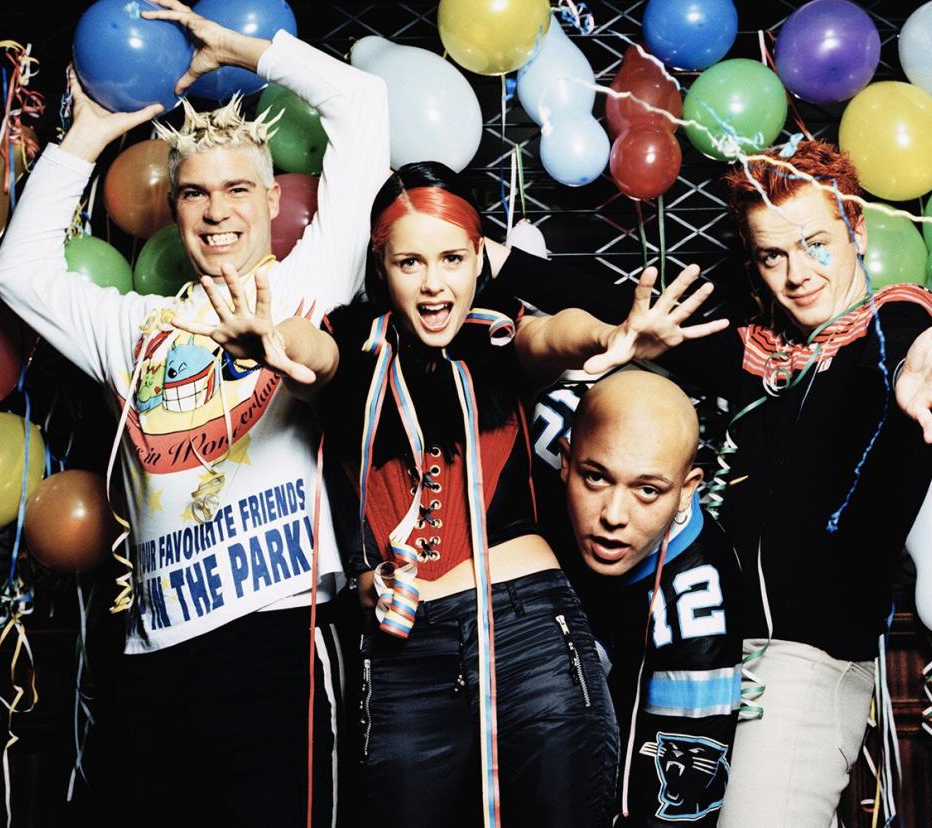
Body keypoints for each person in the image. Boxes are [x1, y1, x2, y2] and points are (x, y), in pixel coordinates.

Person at [178, 160, 729, 826]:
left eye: (452, 259)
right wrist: (273, 342)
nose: (435, 284)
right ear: (382, 266)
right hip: (406, 657)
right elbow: (313, 355)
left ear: (478, 261)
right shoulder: (353, 345)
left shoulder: (499, 334)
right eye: (410, 262)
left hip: (529, 634)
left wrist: (610, 337)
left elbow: (555, 334)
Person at [495, 139, 932, 826]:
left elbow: (902, 344)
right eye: (773, 255)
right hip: (711, 660)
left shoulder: (893, 327)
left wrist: (910, 381)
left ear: (857, 230)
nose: (798, 273)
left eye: (816, 243)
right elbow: (632, 307)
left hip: (801, 667)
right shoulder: (764, 359)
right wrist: (496, 262)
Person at [0, 0, 389, 824]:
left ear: (273, 195)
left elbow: (365, 107)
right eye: (196, 193)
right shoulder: (131, 329)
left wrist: (245, 50)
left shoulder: (315, 280)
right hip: (158, 651)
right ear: (174, 208)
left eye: (239, 188)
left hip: (282, 635)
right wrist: (92, 133)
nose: (217, 212)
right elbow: (15, 274)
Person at [556, 370, 742, 826]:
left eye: (647, 490)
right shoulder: (528, 472)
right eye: (596, 479)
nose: (613, 517)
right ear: (564, 461)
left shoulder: (698, 605)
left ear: (687, 490)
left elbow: (680, 806)